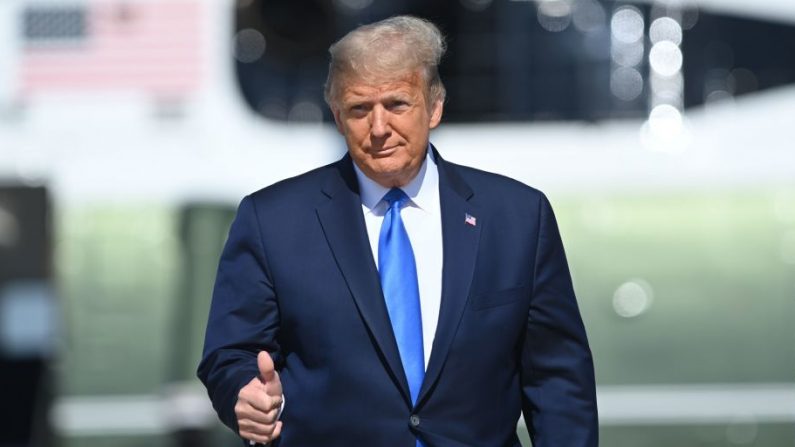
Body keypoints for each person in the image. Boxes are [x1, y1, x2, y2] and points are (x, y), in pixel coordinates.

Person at [198, 15, 598, 447]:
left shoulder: (517, 217)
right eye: (359, 109)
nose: (379, 128)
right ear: (336, 116)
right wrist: (243, 394)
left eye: (397, 104)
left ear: (435, 106)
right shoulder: (272, 221)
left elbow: (559, 381)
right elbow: (230, 354)